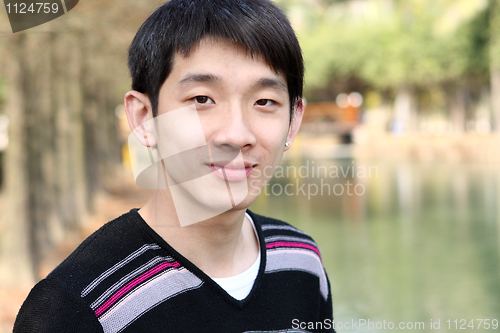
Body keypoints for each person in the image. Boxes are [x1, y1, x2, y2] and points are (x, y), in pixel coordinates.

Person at [14, 0, 335, 332]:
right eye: (201, 99)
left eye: (264, 102)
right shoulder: (74, 307)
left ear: (293, 121)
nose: (237, 135)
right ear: (144, 118)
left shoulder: (301, 262)